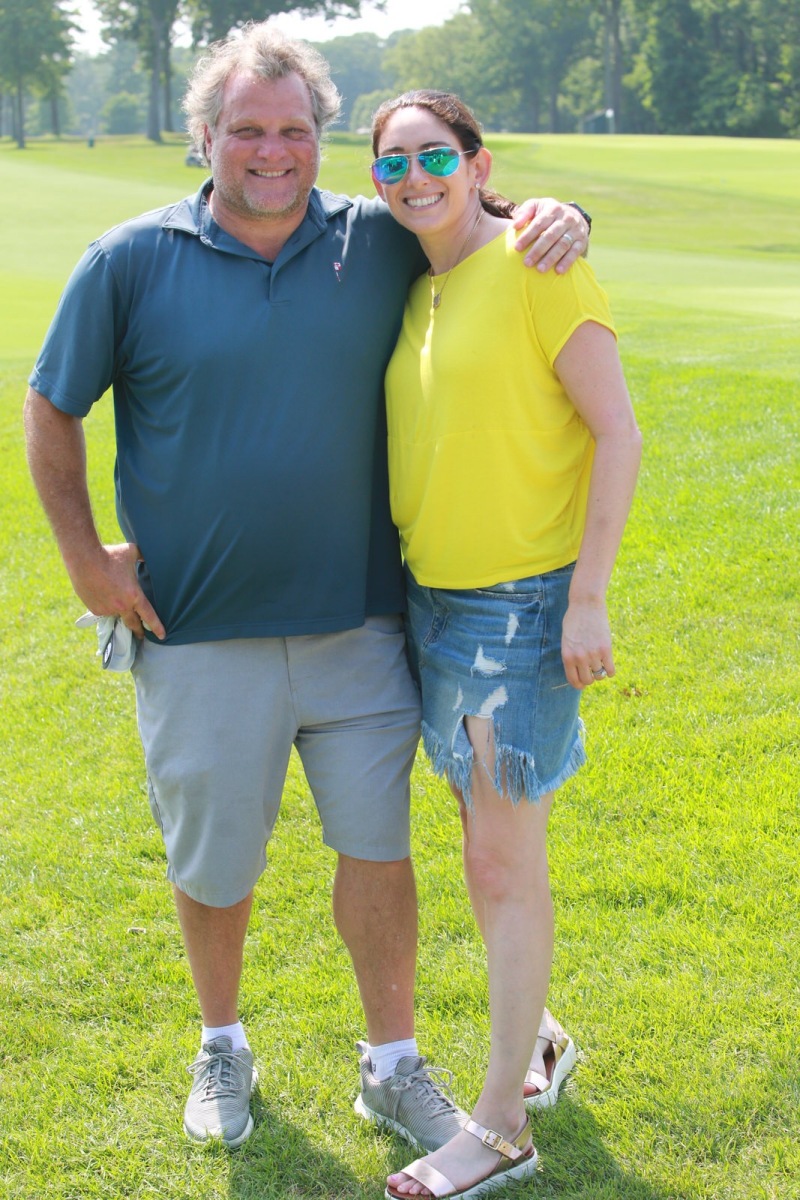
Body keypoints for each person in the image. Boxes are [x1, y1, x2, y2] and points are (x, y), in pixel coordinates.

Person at [22, 25, 588, 1153]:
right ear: (205, 136)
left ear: (320, 137)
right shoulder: (127, 259)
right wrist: (84, 561)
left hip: (360, 626)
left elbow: (476, 222)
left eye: (293, 129)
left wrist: (559, 213)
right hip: (196, 630)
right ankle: (221, 1042)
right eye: (247, 129)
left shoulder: (374, 240)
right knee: (215, 861)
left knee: (378, 853)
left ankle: (393, 1065)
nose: (271, 150)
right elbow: (52, 405)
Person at [369, 91, 642, 1199]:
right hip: (428, 604)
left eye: (436, 156)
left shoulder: (540, 264)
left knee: (499, 860)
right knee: (483, 844)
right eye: (393, 163)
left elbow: (617, 432)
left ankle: (499, 1128)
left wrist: (588, 598)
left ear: (479, 164)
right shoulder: (411, 281)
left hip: (518, 609)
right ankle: (540, 1042)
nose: (415, 177)